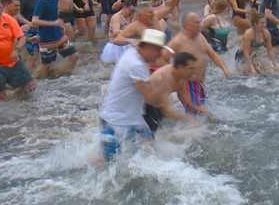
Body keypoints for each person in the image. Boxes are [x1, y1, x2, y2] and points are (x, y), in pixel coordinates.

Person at [98, 29, 175, 162]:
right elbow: (150, 99)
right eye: (158, 50)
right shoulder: (136, 65)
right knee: (109, 165)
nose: (160, 54)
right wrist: (169, 87)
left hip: (133, 121)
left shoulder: (133, 54)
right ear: (148, 48)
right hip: (116, 124)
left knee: (154, 158)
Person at [164, 12, 232, 114]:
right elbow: (162, 58)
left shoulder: (200, 37)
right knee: (195, 114)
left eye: (199, 22)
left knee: (201, 113)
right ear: (186, 25)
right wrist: (174, 77)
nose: (199, 25)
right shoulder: (177, 42)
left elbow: (212, 54)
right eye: (196, 23)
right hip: (186, 84)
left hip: (199, 83)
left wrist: (224, 68)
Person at [0, 0, 36, 107]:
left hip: (14, 61)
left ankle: (25, 109)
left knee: (30, 86)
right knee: (0, 95)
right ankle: (6, 117)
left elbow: (21, 38)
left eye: (0, 8)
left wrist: (17, 50)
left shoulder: (8, 19)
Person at [143, 52, 200, 133]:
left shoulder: (181, 74)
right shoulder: (164, 79)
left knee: (166, 129)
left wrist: (194, 107)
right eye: (190, 68)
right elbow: (167, 110)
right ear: (180, 67)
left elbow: (182, 92)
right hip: (147, 107)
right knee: (154, 135)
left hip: (160, 104)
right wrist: (188, 120)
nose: (193, 72)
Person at [32, 0, 79, 78]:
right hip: (46, 37)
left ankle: (67, 76)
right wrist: (52, 23)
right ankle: (42, 83)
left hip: (58, 35)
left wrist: (59, 23)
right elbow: (34, 20)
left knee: (74, 56)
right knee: (47, 65)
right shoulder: (41, 2)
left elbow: (54, 14)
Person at [235, 11, 279, 76]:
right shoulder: (249, 34)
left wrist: (275, 64)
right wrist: (251, 68)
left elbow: (270, 50)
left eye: (265, 23)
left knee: (267, 69)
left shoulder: (266, 34)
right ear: (255, 24)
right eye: (261, 23)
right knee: (250, 74)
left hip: (254, 55)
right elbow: (246, 52)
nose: (264, 25)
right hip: (242, 56)